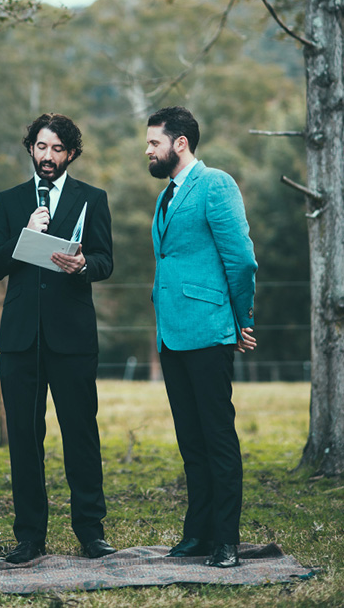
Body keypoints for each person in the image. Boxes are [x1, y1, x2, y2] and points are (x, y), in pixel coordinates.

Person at [0, 113, 116, 564]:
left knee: (81, 435)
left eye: (57, 149)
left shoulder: (92, 198)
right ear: (31, 149)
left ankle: (91, 532)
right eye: (41, 147)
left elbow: (105, 260)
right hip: (21, 340)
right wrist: (26, 235)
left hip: (73, 339)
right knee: (24, 438)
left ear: (70, 154)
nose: (48, 156)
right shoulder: (10, 201)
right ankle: (29, 537)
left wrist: (85, 265)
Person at [145, 106, 258, 569]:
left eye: (154, 142)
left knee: (217, 438)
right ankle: (198, 533)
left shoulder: (216, 184)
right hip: (172, 335)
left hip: (210, 331)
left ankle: (226, 541)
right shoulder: (166, 196)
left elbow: (241, 259)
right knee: (191, 442)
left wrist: (241, 319)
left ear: (181, 143)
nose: (148, 150)